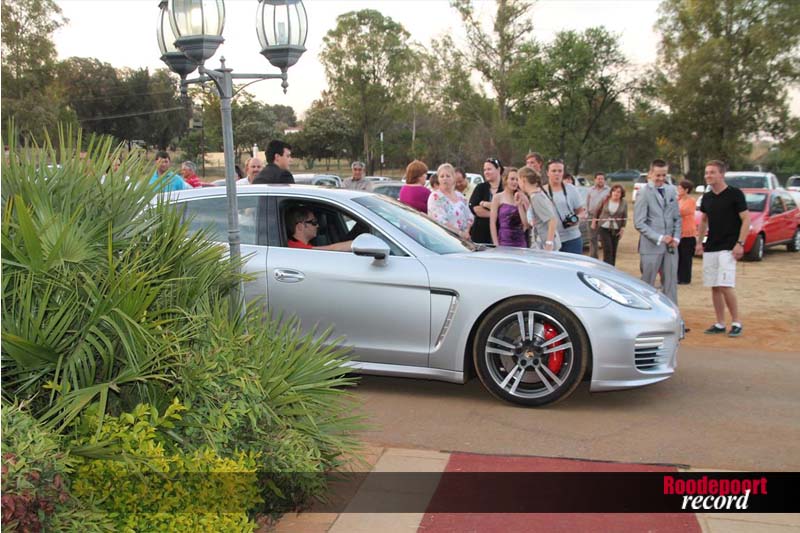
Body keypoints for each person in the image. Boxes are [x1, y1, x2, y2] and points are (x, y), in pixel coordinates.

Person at [695, 160, 750, 337]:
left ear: (721, 174)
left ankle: (736, 322)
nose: (708, 175)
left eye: (712, 172)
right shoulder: (707, 197)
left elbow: (746, 219)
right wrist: (699, 242)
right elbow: (704, 220)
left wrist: (740, 243)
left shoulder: (735, 194)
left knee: (726, 285)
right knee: (715, 286)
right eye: (706, 172)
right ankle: (720, 323)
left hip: (729, 247)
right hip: (711, 246)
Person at [634, 159, 681, 304]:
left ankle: (672, 313)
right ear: (650, 174)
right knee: (647, 285)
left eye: (664, 175)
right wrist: (660, 238)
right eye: (658, 175)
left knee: (671, 284)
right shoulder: (643, 193)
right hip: (651, 247)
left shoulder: (671, 190)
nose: (661, 178)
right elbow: (639, 223)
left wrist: (676, 238)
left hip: (671, 248)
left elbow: (677, 217)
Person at [542, 159, 585, 254]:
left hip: (572, 238)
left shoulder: (571, 189)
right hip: (551, 239)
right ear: (547, 173)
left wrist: (575, 219)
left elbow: (582, 211)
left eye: (560, 171)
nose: (557, 174)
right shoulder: (541, 192)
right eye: (554, 171)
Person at [427, 163, 474, 239]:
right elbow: (440, 220)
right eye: (442, 176)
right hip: (445, 239)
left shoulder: (460, 196)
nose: (445, 178)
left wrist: (466, 232)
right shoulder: (435, 197)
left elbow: (470, 216)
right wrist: (459, 233)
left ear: (453, 178)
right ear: (438, 179)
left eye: (448, 176)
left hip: (464, 240)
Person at [518, 166, 559, 251]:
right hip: (540, 243)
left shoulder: (536, 197)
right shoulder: (536, 195)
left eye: (518, 180)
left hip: (545, 245)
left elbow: (552, 220)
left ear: (523, 180)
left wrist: (549, 244)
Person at [285, 206, 353, 251]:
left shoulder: (303, 245)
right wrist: (355, 244)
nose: (317, 226)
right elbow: (332, 249)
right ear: (300, 226)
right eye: (314, 222)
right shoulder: (295, 247)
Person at [490, 167, 528, 247]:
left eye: (517, 179)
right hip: (504, 240)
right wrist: (496, 244)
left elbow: (526, 224)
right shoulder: (497, 197)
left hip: (520, 240)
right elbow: (492, 223)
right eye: (512, 179)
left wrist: (520, 204)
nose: (515, 182)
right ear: (505, 180)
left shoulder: (522, 197)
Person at [469, 158, 504, 244]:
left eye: (489, 169)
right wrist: (497, 214)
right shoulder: (480, 188)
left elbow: (506, 208)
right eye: (484, 170)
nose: (486, 172)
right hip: (480, 236)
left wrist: (485, 204)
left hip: (501, 234)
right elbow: (476, 209)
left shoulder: (505, 189)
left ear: (498, 169)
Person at [595, 184, 627, 266]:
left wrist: (622, 228)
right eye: (614, 191)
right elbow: (597, 210)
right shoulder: (605, 200)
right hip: (604, 227)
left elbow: (624, 216)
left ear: (621, 194)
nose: (616, 193)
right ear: (611, 192)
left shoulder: (624, 203)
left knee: (613, 250)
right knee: (608, 249)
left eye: (618, 192)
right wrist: (594, 222)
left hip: (616, 229)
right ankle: (606, 268)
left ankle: (612, 268)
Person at [586, 172, 610, 259]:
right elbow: (587, 202)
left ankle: (607, 259)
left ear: (604, 180)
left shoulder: (609, 191)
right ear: (595, 180)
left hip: (604, 217)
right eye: (598, 179)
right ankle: (593, 258)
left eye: (602, 179)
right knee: (592, 239)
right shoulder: (590, 190)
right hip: (591, 216)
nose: (600, 180)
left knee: (604, 239)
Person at [677, 179, 697, 284]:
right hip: (679, 233)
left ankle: (685, 278)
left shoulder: (691, 201)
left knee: (686, 257)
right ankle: (678, 277)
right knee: (679, 256)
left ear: (686, 190)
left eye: (680, 188)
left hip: (688, 234)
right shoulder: (678, 200)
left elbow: (683, 211)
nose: (678, 190)